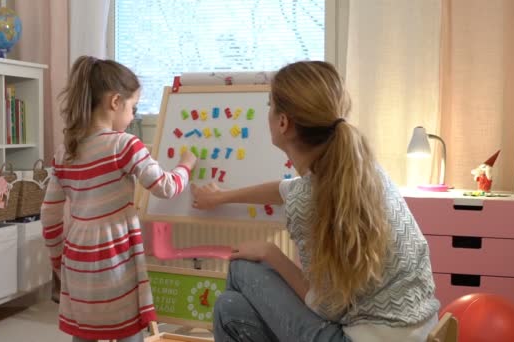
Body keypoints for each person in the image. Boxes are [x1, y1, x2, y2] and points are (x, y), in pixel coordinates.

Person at [191, 61, 440, 342]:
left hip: (359, 337)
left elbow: (326, 307)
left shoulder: (308, 200)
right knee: (229, 308)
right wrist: (222, 197)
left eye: (269, 105)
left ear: (283, 122)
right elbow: (287, 189)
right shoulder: (363, 168)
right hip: (420, 327)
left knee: (241, 268)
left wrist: (272, 254)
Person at [41, 56, 197, 342]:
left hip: (77, 257)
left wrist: (57, 259)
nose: (133, 116)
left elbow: (49, 217)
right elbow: (165, 186)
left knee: (85, 330)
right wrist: (186, 165)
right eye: (133, 108)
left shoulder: (65, 152)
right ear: (115, 102)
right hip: (114, 256)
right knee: (127, 328)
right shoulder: (124, 144)